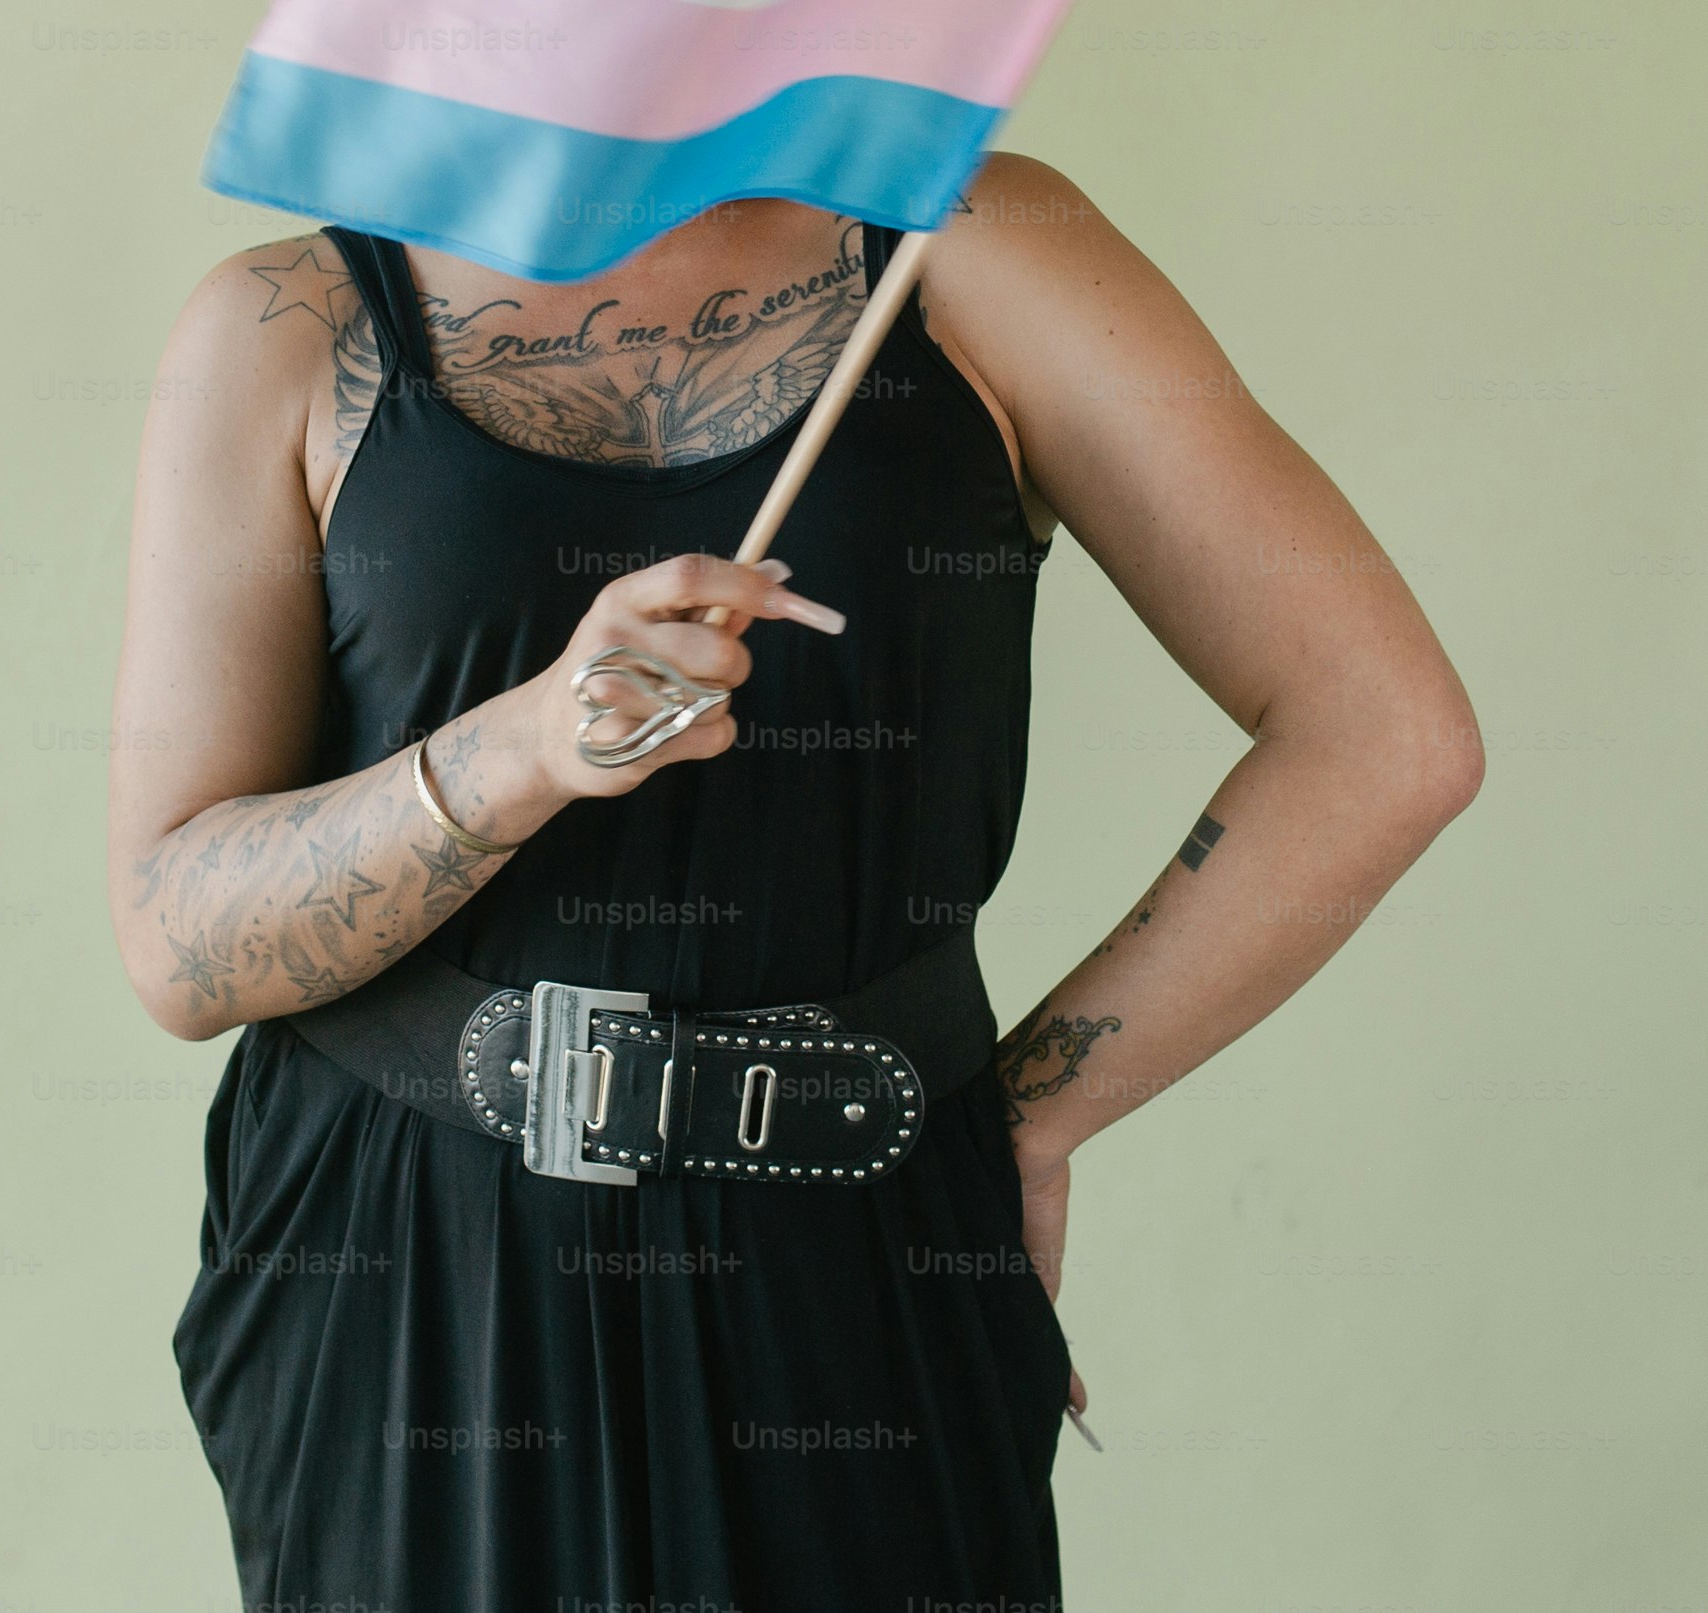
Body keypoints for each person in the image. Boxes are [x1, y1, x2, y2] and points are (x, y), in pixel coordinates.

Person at [107, 153, 1482, 1610]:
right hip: (409, 1275)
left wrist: (1029, 1116)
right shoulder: (286, 326)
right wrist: (526, 743)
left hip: (860, 1243)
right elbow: (176, 946)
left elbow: (1388, 736)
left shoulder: (975, 249)